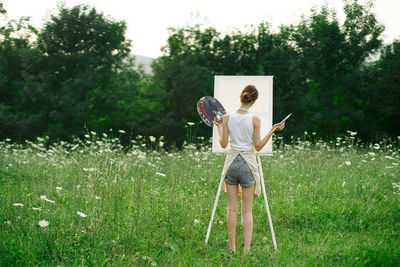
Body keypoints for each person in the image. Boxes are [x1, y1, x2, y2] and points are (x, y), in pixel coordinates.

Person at [215, 84, 285, 253]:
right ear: (254, 101)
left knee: (232, 209)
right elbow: (258, 146)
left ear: (241, 96)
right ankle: (246, 250)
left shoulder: (227, 117)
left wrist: (218, 127)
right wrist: (273, 130)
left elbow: (223, 144)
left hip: (231, 163)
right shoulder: (255, 120)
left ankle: (232, 248)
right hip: (247, 164)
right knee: (247, 211)